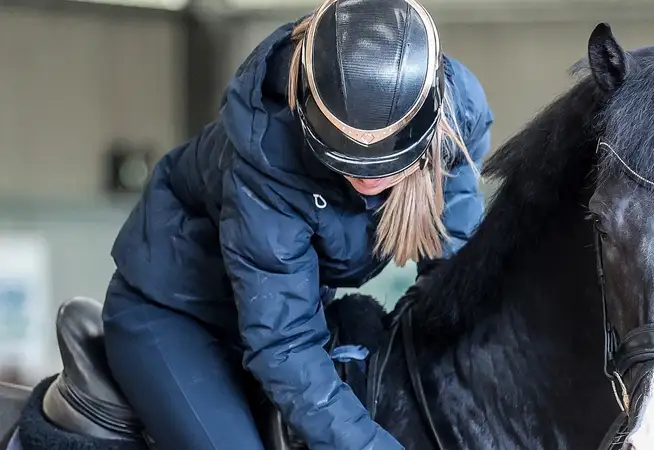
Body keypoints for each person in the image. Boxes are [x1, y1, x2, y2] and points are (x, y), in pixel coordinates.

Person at [100, 0, 494, 448]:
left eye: (386, 163)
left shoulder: (457, 114)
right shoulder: (268, 155)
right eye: (349, 158)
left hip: (293, 307)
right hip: (176, 312)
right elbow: (284, 344)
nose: (368, 177)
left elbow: (455, 268)